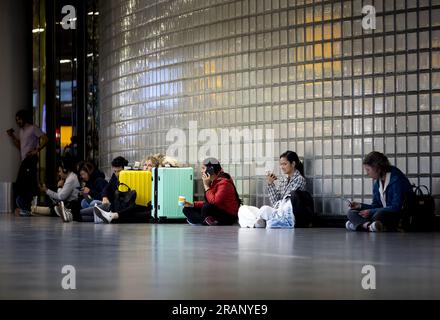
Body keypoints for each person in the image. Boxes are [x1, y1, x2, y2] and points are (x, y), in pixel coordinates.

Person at [346, 151, 414, 232]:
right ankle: (369, 226)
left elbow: (396, 207)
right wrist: (360, 206)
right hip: (382, 214)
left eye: (368, 169)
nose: (367, 173)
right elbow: (376, 205)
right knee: (351, 212)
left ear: (377, 168)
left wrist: (371, 212)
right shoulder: (377, 183)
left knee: (379, 214)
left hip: (397, 215)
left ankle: (359, 225)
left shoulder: (397, 179)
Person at [238, 151, 307, 228]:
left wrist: (271, 210)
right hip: (276, 212)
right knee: (243, 209)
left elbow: (285, 203)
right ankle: (258, 222)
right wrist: (270, 184)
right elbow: (275, 201)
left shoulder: (299, 179)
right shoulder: (283, 180)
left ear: (293, 164)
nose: (282, 167)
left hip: (284, 215)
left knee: (264, 209)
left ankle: (259, 221)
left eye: (284, 164)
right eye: (281, 164)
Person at [84, 156, 150, 224]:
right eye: (115, 171)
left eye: (119, 171)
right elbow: (107, 187)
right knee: (93, 206)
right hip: (113, 204)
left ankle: (75, 214)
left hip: (115, 206)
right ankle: (76, 215)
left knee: (95, 207)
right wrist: (105, 197)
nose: (117, 174)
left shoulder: (130, 177)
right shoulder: (115, 176)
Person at [7, 109, 48, 216]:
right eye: (16, 120)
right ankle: (27, 206)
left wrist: (36, 150)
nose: (18, 122)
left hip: (31, 159)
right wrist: (12, 136)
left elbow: (45, 139)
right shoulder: (21, 131)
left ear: (24, 118)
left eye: (19, 119)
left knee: (24, 182)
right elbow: (20, 146)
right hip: (24, 160)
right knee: (25, 183)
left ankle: (28, 206)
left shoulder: (33, 128)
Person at [182, 158, 241, 226]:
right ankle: (206, 220)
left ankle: (200, 220)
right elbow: (210, 202)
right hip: (216, 210)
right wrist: (193, 204)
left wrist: (206, 186)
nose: (201, 171)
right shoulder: (213, 181)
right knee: (186, 209)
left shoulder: (224, 183)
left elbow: (214, 202)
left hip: (228, 216)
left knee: (206, 208)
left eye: (203, 168)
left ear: (211, 170)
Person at [40, 157, 80, 222]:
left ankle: (33, 209)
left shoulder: (71, 179)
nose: (59, 174)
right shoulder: (69, 178)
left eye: (60, 171)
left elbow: (61, 197)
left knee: (52, 209)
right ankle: (33, 209)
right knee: (50, 205)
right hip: (68, 203)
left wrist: (59, 187)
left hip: (71, 205)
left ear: (65, 170)